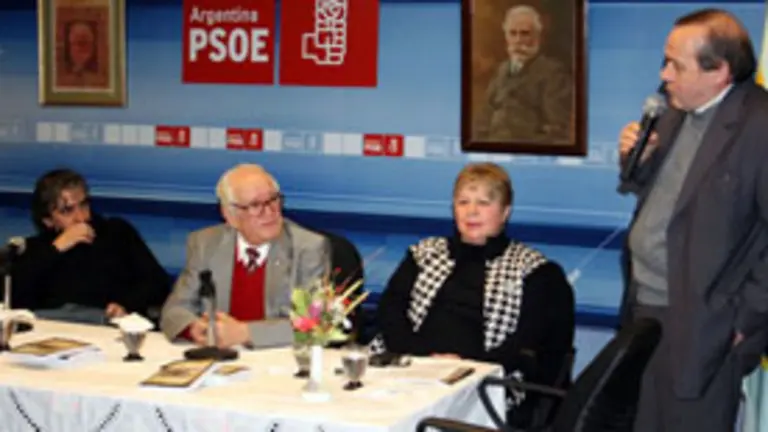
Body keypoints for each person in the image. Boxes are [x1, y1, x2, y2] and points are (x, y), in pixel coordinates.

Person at [616, 8, 768, 431]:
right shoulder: (676, 108)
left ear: (718, 70)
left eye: (675, 65)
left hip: (706, 325)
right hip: (644, 307)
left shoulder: (759, 126)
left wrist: (745, 321)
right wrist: (637, 161)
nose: (664, 74)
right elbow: (664, 193)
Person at [369, 162, 574, 427]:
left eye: (484, 203)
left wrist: (469, 368)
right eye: (463, 202)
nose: (472, 211)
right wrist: (424, 360)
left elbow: (527, 344)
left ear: (505, 212)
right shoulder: (424, 253)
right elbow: (390, 313)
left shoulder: (534, 270)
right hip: (410, 367)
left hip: (485, 382)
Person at [160, 164, 331, 349]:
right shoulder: (205, 243)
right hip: (219, 358)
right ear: (230, 215)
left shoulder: (308, 248)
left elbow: (316, 323)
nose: (270, 212)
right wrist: (195, 328)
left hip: (277, 360)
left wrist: (244, 333)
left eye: (273, 200)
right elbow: (174, 310)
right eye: (256, 205)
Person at [10, 169, 170, 324]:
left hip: (108, 327)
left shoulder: (116, 232)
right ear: (48, 221)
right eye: (67, 211)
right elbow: (15, 299)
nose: (81, 217)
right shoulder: (34, 250)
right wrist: (57, 248)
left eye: (84, 205)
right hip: (53, 329)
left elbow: (157, 282)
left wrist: (126, 305)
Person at [474, 5, 572, 143]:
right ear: (506, 36)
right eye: (512, 33)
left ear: (537, 36)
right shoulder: (501, 70)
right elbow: (484, 117)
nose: (518, 40)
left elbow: (558, 130)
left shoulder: (553, 73)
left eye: (524, 33)